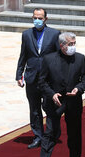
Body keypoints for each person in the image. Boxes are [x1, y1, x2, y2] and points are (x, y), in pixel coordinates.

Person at [36, 32, 85, 157]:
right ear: (61, 45)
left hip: (73, 102)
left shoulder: (80, 58)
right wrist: (51, 94)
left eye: (74, 43)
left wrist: (78, 89)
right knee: (50, 132)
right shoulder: (49, 59)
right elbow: (42, 81)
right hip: (55, 103)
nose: (73, 46)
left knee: (74, 133)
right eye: (70, 44)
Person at [16, 8, 61, 149]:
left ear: (45, 19)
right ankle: (38, 136)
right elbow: (23, 55)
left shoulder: (54, 34)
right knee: (34, 109)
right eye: (35, 17)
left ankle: (51, 134)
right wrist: (19, 74)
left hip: (48, 79)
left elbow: (59, 57)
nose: (37, 20)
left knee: (49, 107)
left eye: (40, 18)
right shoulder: (26, 34)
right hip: (32, 77)